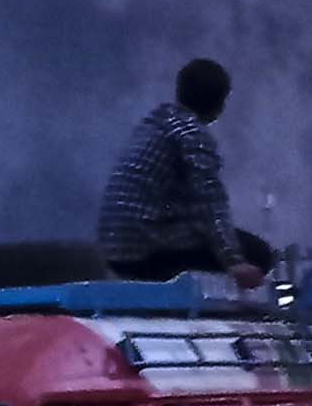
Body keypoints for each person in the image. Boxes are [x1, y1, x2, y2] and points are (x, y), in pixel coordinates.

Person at [97, 58, 272, 288]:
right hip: (144, 250)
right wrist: (234, 262)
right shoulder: (191, 134)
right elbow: (210, 204)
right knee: (258, 253)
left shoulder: (155, 124)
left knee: (206, 233)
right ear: (219, 102)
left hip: (114, 249)